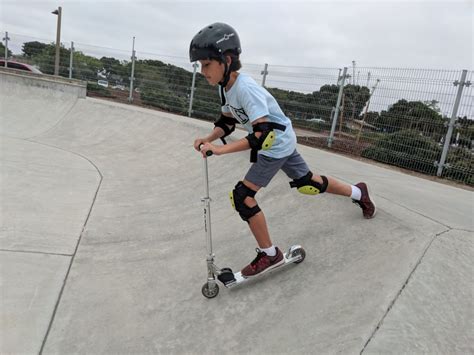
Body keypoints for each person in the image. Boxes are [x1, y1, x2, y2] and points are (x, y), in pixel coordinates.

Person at [190, 23, 376, 278]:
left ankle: (269, 255)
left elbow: (262, 134)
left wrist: (221, 151)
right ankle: (358, 192)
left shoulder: (246, 89)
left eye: (206, 64)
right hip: (282, 140)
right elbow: (227, 122)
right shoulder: (225, 88)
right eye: (200, 65)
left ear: (227, 60)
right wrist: (208, 137)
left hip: (274, 145)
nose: (203, 71)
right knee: (307, 183)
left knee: (243, 196)